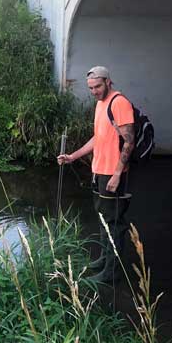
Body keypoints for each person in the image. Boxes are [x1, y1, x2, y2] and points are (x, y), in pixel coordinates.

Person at [57, 66, 135, 284]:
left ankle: (112, 273)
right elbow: (98, 138)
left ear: (108, 82)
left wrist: (118, 174)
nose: (94, 91)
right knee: (103, 219)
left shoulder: (119, 103)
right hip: (98, 171)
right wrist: (73, 156)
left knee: (114, 223)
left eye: (98, 86)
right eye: (91, 88)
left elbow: (129, 141)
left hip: (113, 174)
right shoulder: (100, 104)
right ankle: (103, 259)